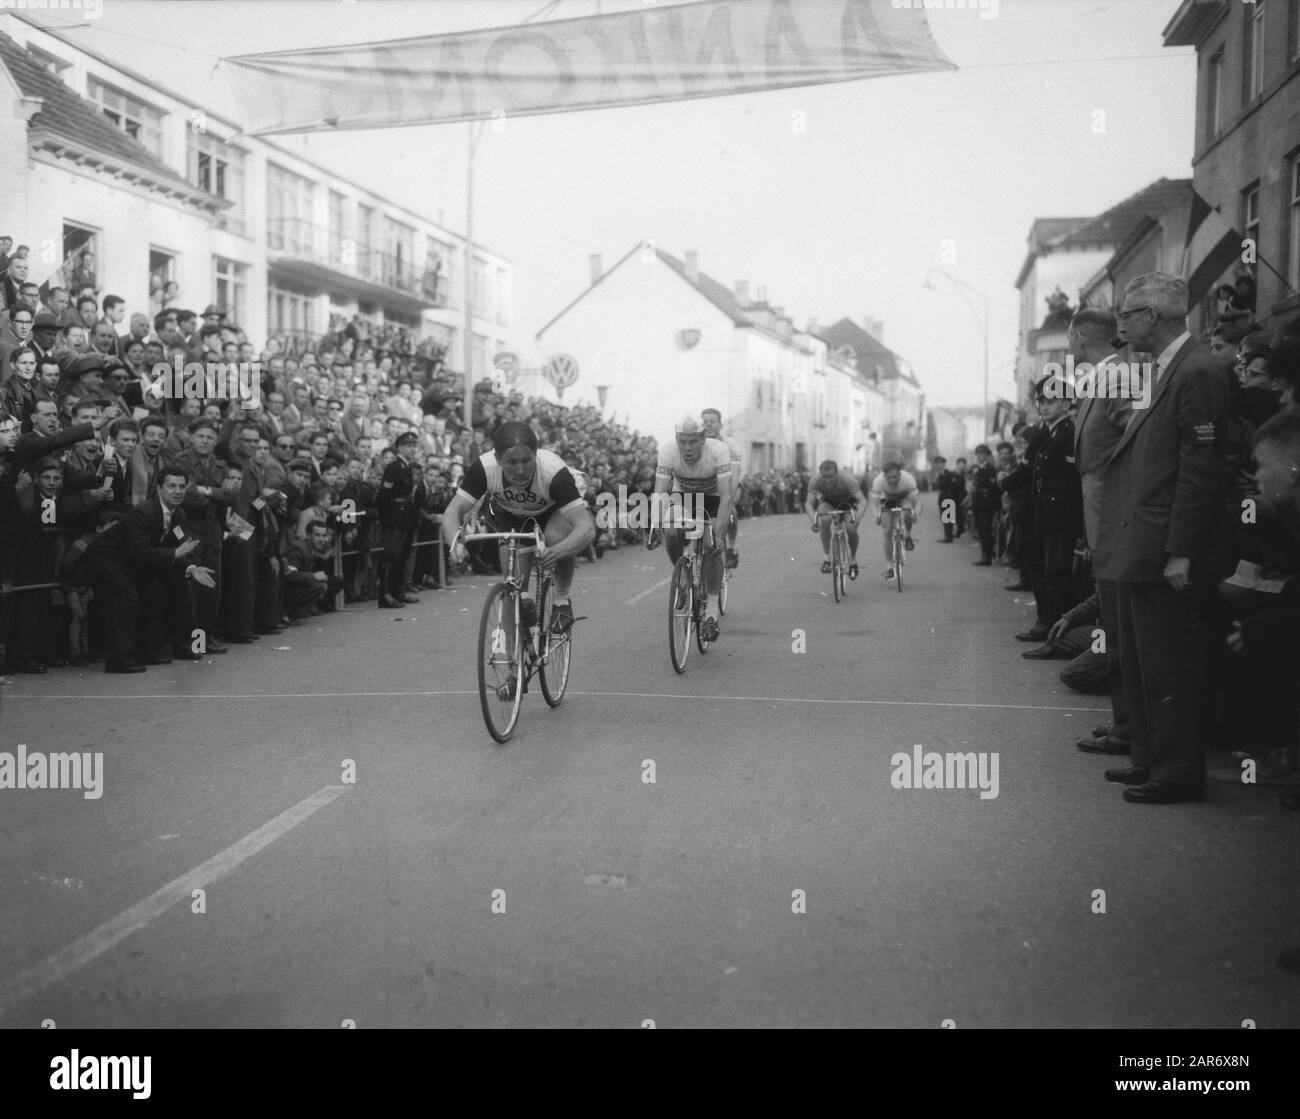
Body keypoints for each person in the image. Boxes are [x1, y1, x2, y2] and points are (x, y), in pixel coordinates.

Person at [1097, 272, 1229, 805]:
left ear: (1152, 315)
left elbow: (1200, 468)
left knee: (1169, 661)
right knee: (1144, 659)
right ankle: (1151, 758)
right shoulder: (1165, 367)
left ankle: (1176, 773)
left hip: (1164, 545)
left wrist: (1182, 550)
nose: (1121, 324)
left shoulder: (1197, 370)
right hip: (1141, 539)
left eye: (1127, 314)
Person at [442, 420, 595, 667]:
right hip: (512, 513)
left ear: (536, 455)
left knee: (557, 537)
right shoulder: (484, 467)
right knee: (513, 588)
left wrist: (557, 552)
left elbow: (586, 529)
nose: (521, 471)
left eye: (527, 461)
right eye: (511, 463)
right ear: (498, 459)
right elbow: (452, 513)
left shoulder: (553, 472)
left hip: (553, 508)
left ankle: (561, 600)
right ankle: (515, 668)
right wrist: (455, 545)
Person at [646, 416, 734, 642]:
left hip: (713, 498)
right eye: (682, 441)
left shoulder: (718, 451)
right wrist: (655, 525)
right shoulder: (667, 451)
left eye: (692, 442)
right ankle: (682, 575)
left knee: (710, 542)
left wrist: (720, 537)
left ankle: (712, 609)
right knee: (671, 529)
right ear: (676, 439)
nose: (686, 448)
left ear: (703, 439)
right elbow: (661, 491)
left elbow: (726, 497)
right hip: (683, 496)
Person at [375, 430, 422, 608]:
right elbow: (383, 495)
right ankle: (385, 594)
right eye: (408, 446)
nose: (412, 449)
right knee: (390, 557)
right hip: (395, 517)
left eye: (413, 446)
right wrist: (387, 518)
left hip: (406, 517)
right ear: (399, 448)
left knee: (402, 557)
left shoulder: (408, 466)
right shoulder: (393, 467)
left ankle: (398, 590)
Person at [804, 459, 869, 579]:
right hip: (827, 501)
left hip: (848, 501)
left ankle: (853, 560)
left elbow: (862, 501)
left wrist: (858, 518)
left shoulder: (847, 479)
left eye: (831, 477)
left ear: (837, 473)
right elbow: (808, 503)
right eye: (824, 477)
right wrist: (814, 520)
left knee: (851, 529)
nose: (827, 480)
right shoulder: (815, 480)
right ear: (820, 474)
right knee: (824, 520)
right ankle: (827, 559)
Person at [700, 407, 743, 568]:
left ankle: (731, 547)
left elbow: (734, 475)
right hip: (705, 483)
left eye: (712, 422)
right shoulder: (698, 442)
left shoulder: (731, 445)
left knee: (729, 511)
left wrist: (728, 499)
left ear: (720, 425)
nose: (708, 425)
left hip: (728, 481)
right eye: (705, 422)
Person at [869, 461, 920, 581]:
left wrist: (916, 513)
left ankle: (907, 534)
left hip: (904, 497)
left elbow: (917, 502)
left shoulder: (908, 479)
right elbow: (875, 504)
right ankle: (889, 567)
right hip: (886, 499)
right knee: (887, 531)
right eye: (889, 477)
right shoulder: (878, 482)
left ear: (900, 475)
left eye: (895, 477)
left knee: (908, 512)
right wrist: (877, 515)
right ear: (884, 476)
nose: (892, 480)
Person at [933, 455, 966, 543]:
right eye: (937, 464)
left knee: (948, 519)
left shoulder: (950, 474)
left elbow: (958, 486)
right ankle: (948, 536)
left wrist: (956, 498)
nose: (938, 465)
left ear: (944, 464)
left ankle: (949, 537)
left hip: (949, 498)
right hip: (943, 498)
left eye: (940, 463)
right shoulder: (939, 475)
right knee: (945, 518)